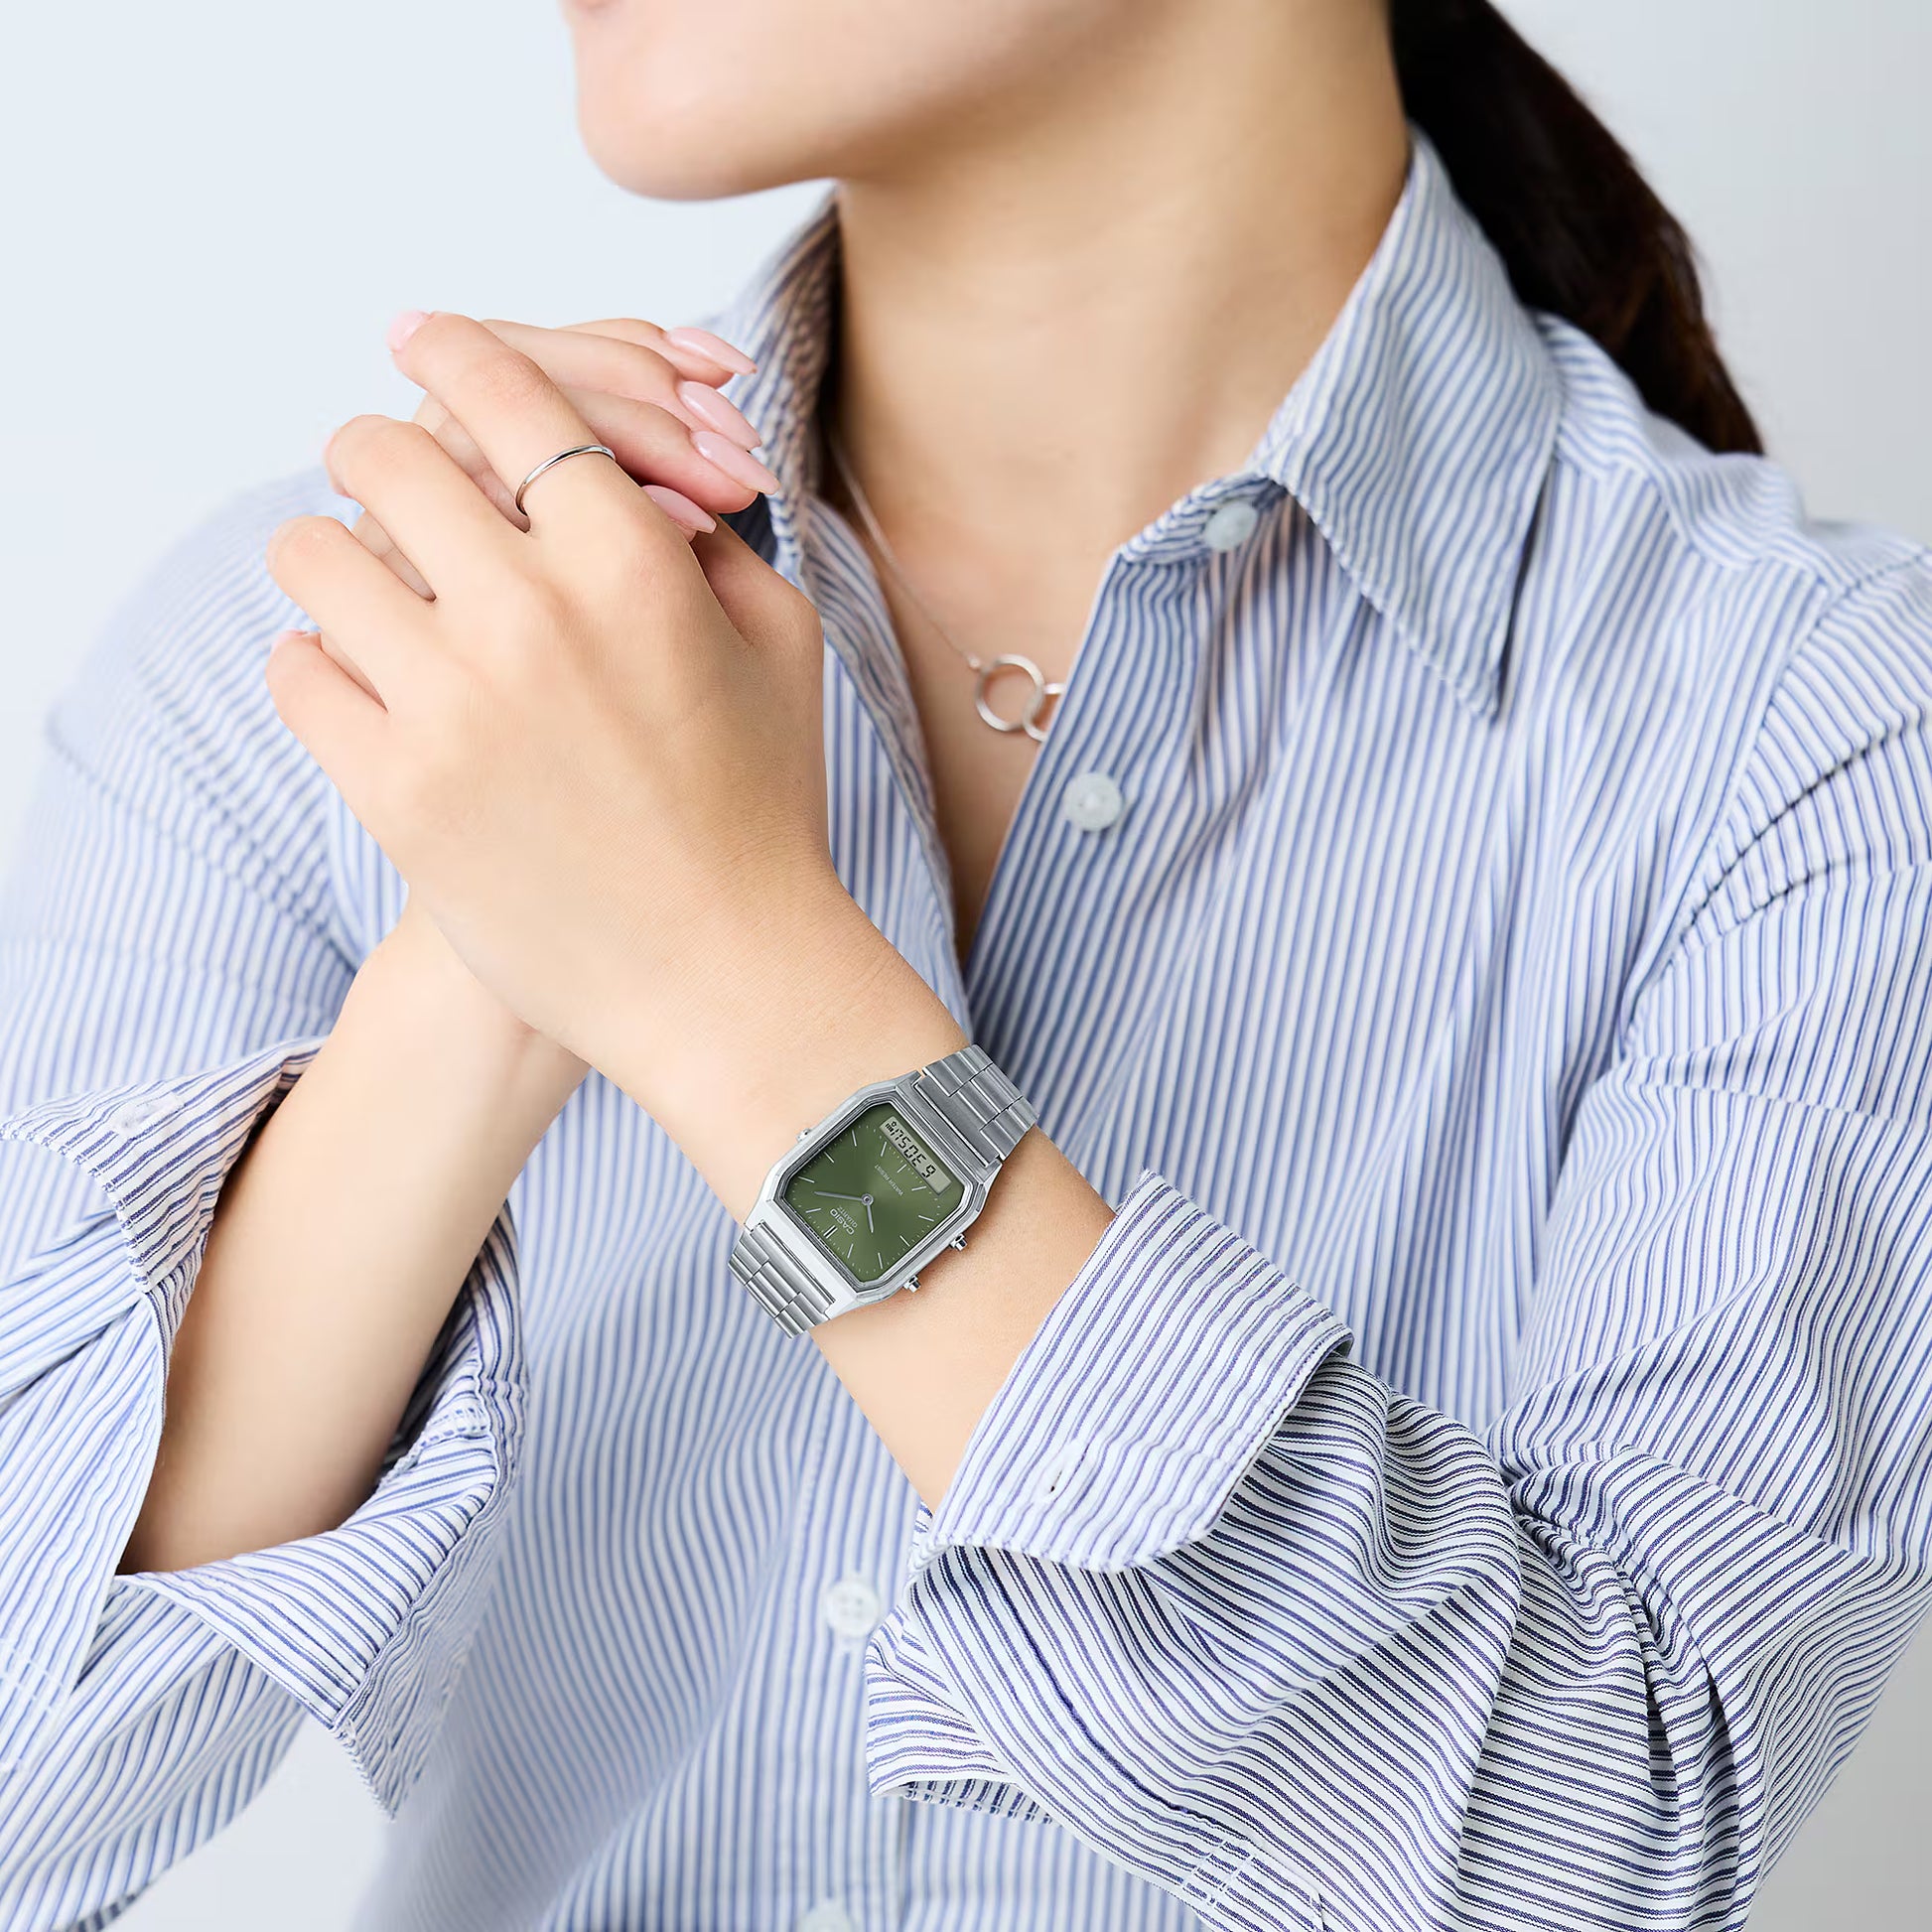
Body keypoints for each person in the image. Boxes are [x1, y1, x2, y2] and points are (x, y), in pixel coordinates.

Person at [1, 0, 1928, 1927]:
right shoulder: (319, 666)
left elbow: (1582, 1853)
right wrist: (487, 943)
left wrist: (718, 979)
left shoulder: (1813, 734)